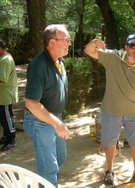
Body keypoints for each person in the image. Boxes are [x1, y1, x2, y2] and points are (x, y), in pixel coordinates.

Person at [84, 34, 135, 185]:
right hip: (111, 111)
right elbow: (89, 51)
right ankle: (109, 171)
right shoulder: (112, 58)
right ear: (126, 47)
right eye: (132, 46)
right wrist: (96, 42)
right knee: (110, 142)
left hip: (134, 113)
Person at [23, 24, 71, 187]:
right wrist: (56, 123)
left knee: (60, 157)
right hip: (39, 121)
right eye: (66, 40)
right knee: (49, 168)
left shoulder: (59, 60)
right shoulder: (39, 65)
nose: (69, 43)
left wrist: (58, 120)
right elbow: (31, 103)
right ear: (52, 43)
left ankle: (41, 183)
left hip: (54, 117)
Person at [0, 39, 18, 151]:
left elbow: (2, 79)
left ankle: (11, 139)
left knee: (7, 118)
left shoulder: (5, 60)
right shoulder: (3, 57)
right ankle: (7, 136)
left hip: (5, 95)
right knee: (3, 117)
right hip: (2, 95)